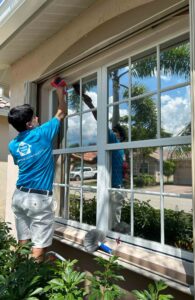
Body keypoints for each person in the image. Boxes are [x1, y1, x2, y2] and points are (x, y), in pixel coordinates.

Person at [8, 82, 67, 261]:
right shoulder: (41, 133)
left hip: (19, 196)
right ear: (29, 124)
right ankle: (34, 284)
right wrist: (58, 89)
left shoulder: (13, 145)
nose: (37, 118)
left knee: (23, 242)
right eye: (34, 117)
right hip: (38, 200)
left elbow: (20, 163)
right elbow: (61, 111)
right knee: (38, 249)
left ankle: (18, 280)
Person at [73, 83, 129, 232]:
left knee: (113, 226)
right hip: (109, 188)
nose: (109, 132)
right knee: (107, 224)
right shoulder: (110, 151)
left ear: (119, 136)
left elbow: (101, 122)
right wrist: (72, 156)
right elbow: (92, 160)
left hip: (114, 189)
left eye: (114, 131)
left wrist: (88, 101)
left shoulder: (116, 144)